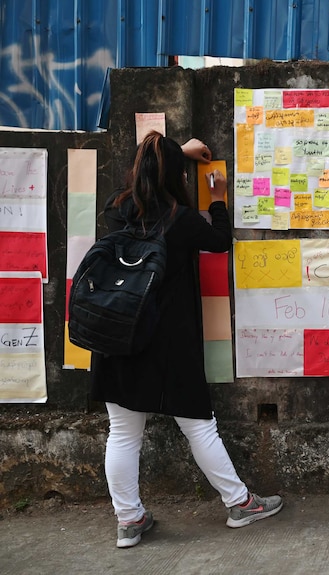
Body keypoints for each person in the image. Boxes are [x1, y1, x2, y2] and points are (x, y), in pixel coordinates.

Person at [91, 132, 282, 548]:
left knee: (122, 434)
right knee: (199, 426)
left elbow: (145, 165)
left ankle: (129, 521)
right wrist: (216, 196)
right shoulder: (181, 220)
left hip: (118, 336)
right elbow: (220, 241)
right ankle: (240, 503)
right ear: (177, 174)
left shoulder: (116, 208)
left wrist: (177, 152)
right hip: (169, 344)